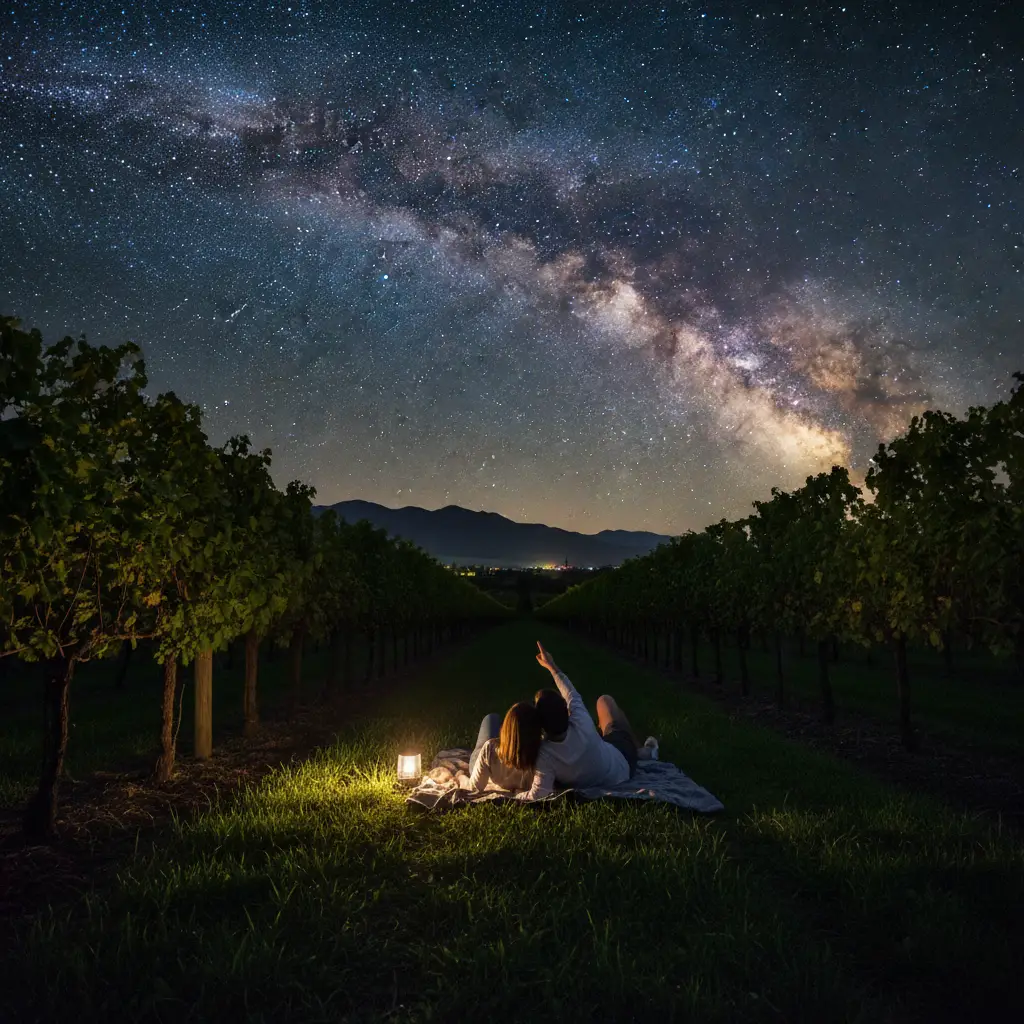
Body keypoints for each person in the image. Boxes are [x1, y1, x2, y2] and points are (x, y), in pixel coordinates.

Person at [518, 641, 657, 801]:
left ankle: (638, 751)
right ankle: (641, 752)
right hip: (623, 761)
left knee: (603, 735)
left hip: (610, 766)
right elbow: (569, 691)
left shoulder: (545, 754)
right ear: (567, 710)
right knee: (605, 702)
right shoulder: (579, 718)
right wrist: (551, 665)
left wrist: (513, 796)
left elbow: (538, 793)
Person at [466, 702, 542, 794]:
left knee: (491, 718)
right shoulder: (543, 753)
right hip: (499, 753)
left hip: (488, 764)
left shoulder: (489, 748)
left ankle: (509, 729)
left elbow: (474, 787)